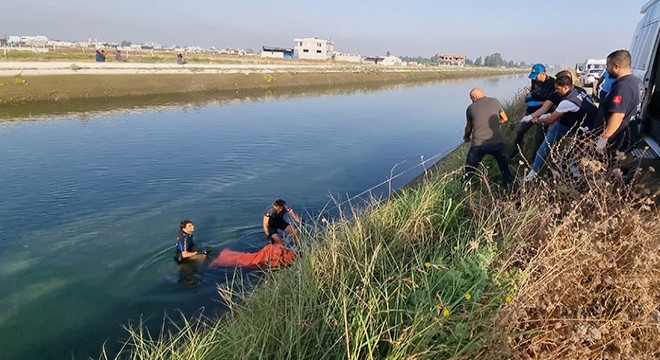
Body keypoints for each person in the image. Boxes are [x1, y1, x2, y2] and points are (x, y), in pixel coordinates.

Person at [524, 75, 598, 181]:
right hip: (567, 123)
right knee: (546, 144)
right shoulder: (578, 90)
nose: (556, 91)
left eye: (558, 89)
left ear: (565, 88)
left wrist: (538, 120)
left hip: (583, 128)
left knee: (576, 152)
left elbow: (550, 120)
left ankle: (576, 175)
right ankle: (533, 172)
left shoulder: (567, 101)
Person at [594, 50, 643, 156]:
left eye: (608, 66)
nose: (607, 69)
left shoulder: (623, 86)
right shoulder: (637, 82)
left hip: (615, 140)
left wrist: (604, 139)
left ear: (616, 66)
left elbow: (618, 115)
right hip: (626, 136)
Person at [462, 87, 513, 187]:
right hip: (496, 143)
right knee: (504, 165)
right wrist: (496, 124)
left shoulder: (470, 108)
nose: (472, 101)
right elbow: (505, 118)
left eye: (471, 99)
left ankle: (465, 186)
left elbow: (468, 127)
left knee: (469, 168)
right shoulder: (495, 101)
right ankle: (509, 184)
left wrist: (466, 137)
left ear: (474, 97)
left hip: (479, 145)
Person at [510, 64, 556, 159]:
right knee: (520, 131)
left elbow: (551, 102)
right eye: (533, 77)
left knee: (539, 137)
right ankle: (516, 151)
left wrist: (538, 103)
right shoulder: (534, 80)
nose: (534, 79)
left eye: (536, 76)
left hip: (544, 112)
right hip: (531, 110)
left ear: (543, 74)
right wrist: (529, 96)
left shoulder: (552, 84)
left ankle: (535, 158)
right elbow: (533, 90)